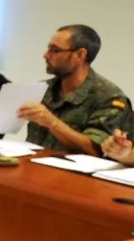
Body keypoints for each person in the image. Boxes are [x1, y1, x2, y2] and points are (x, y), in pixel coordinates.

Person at [19, 25, 131, 155]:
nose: (45, 55)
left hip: (76, 174)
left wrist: (52, 122)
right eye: (48, 48)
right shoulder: (43, 89)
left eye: (55, 50)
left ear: (79, 55)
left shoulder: (110, 98)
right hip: (34, 165)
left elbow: (96, 150)